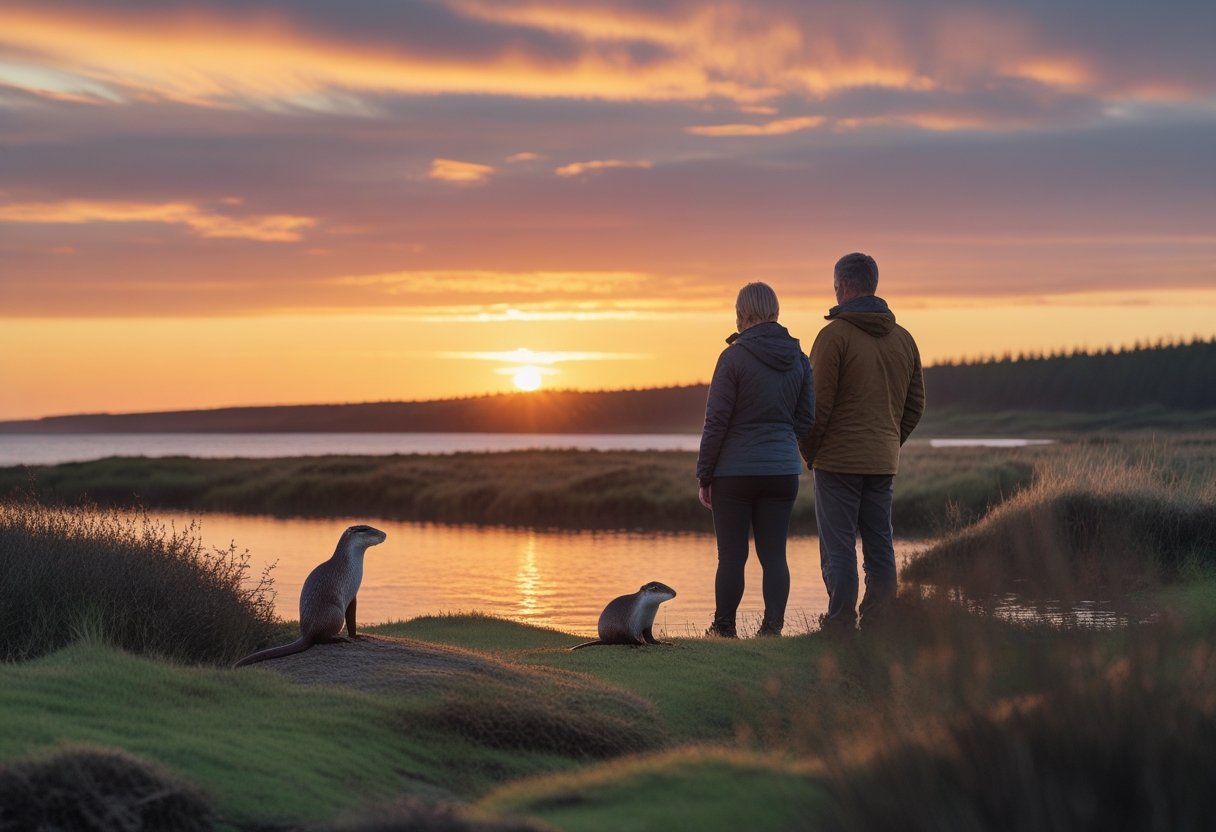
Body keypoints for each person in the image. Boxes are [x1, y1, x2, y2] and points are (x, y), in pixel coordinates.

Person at [799, 252, 925, 633]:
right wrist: (889, 442)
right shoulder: (904, 339)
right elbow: (916, 405)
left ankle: (839, 623)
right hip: (882, 462)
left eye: (835, 285)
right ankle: (880, 622)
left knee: (838, 547)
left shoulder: (833, 337)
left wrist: (810, 452)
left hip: (836, 461)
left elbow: (816, 406)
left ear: (843, 286)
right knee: (880, 544)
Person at [697, 282, 815, 638]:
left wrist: (705, 475)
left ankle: (723, 629)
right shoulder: (799, 359)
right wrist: (780, 437)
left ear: (743, 314)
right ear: (775, 312)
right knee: (774, 555)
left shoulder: (732, 358)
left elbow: (716, 422)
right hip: (782, 471)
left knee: (732, 556)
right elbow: (806, 420)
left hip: (734, 473)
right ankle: (772, 630)